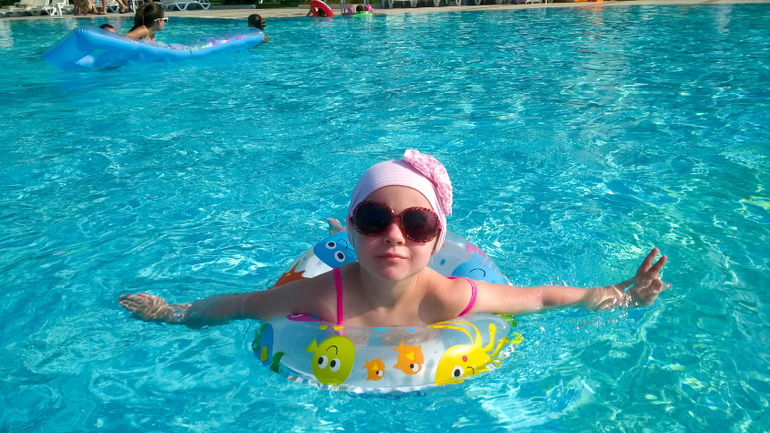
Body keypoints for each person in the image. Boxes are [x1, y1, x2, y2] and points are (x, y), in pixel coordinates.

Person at [119, 150, 669, 328]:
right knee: (331, 242)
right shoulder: (322, 295)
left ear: (437, 240)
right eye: (373, 219)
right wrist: (172, 312)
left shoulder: (450, 296)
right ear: (356, 228)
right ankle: (332, 231)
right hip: (338, 277)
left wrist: (624, 292)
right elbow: (242, 304)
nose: (394, 237)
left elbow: (542, 297)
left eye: (418, 225)